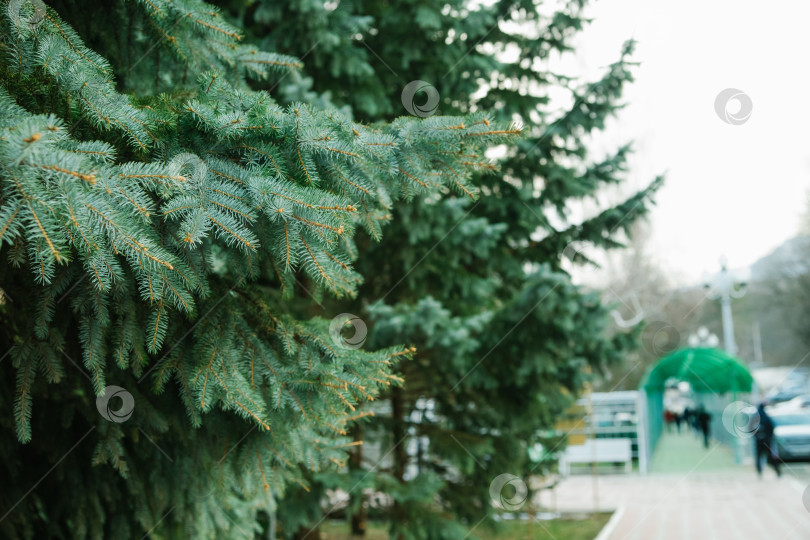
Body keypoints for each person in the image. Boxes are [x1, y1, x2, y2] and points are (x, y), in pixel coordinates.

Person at [753, 402, 781, 478]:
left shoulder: (756, 418)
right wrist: (768, 437)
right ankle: (778, 472)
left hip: (759, 441)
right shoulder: (766, 417)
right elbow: (772, 427)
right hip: (766, 441)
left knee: (759, 457)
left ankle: (760, 473)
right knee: (771, 457)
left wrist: (758, 436)